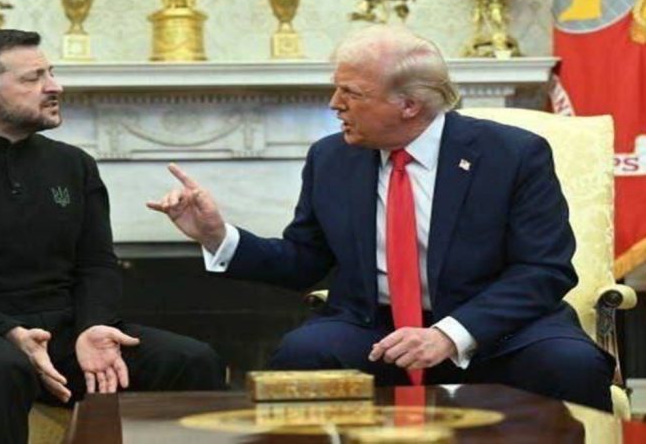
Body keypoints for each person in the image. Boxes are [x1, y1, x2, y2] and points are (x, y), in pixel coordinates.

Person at [147, 25, 614, 411]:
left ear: (409, 105)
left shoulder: (512, 154)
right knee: (301, 354)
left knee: (569, 364)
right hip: (375, 326)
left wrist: (449, 334)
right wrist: (218, 236)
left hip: (496, 328)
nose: (334, 103)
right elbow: (305, 260)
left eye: (351, 92)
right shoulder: (332, 157)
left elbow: (543, 270)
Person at [0, 29, 226, 444]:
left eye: (51, 73)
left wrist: (93, 326)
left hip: (67, 333)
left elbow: (97, 263)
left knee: (191, 359)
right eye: (33, 78)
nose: (55, 86)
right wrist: (9, 332)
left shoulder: (74, 165)